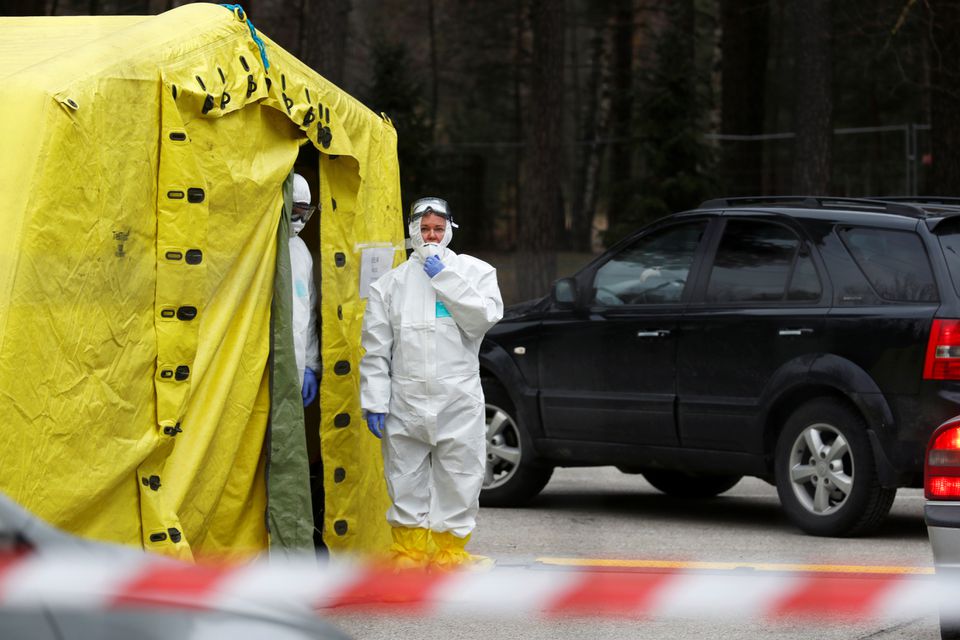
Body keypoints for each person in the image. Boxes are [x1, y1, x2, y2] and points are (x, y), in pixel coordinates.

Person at [360, 197, 503, 570]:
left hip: (457, 399)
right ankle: (407, 552)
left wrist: (444, 277)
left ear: (451, 229)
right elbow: (376, 348)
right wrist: (375, 399)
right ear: (411, 231)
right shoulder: (388, 285)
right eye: (424, 229)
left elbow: (481, 318)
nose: (431, 237)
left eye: (438, 229)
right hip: (406, 400)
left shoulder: (475, 273)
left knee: (460, 476)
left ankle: (449, 553)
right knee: (403, 477)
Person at [289, 173, 319, 408]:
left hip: (296, 364)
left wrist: (310, 364)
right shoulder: (258, 247)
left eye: (304, 213)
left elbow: (308, 313)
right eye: (294, 212)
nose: (299, 221)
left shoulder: (301, 251)